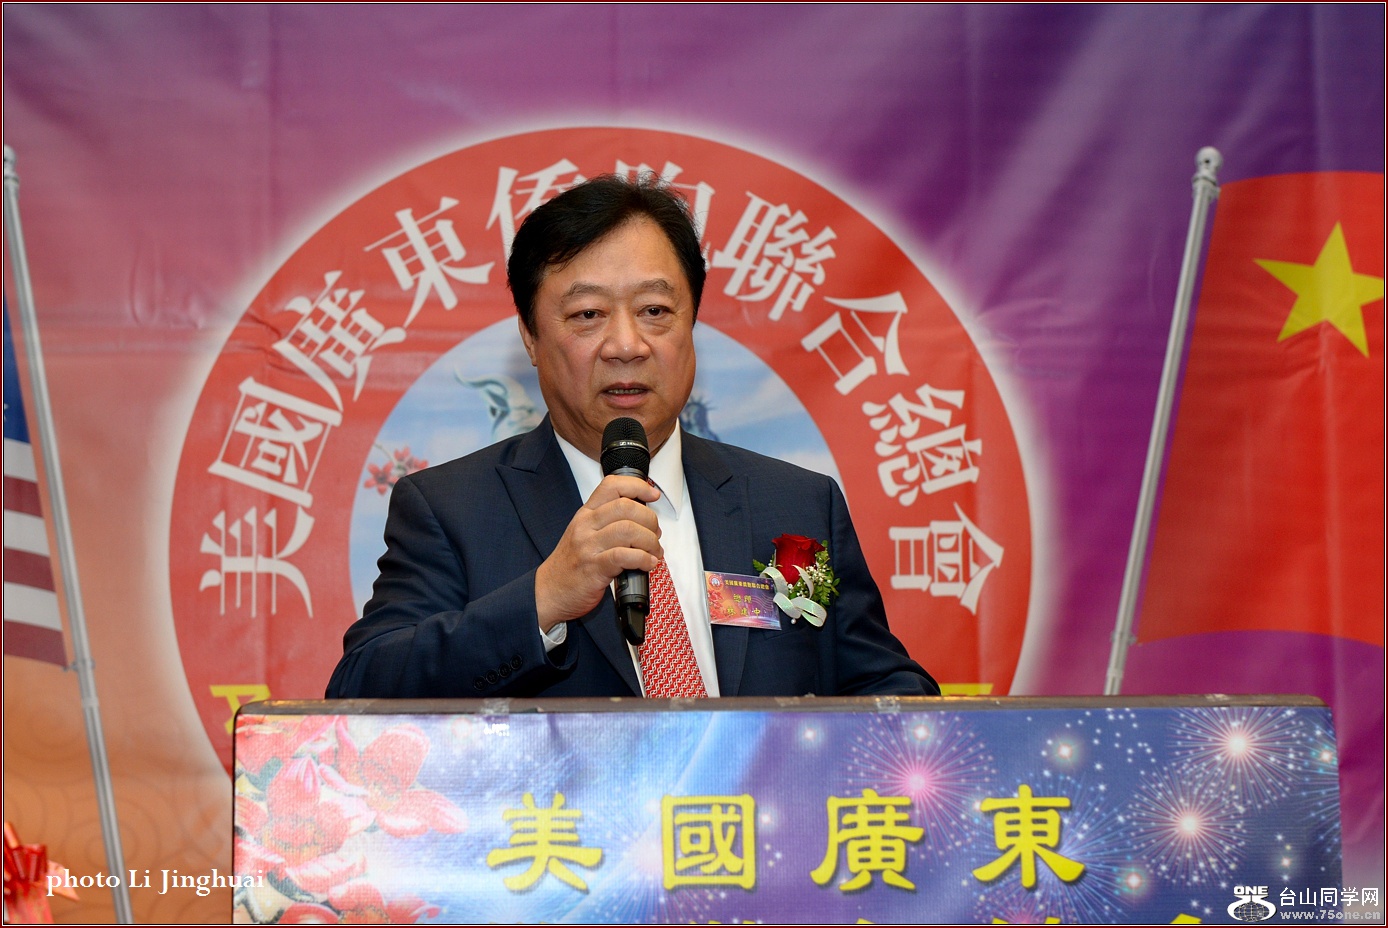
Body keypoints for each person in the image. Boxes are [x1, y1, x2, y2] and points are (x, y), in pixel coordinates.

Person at [326, 174, 938, 699]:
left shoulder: (797, 504)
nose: (626, 345)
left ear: (692, 324)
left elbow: (889, 693)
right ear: (531, 338)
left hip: (755, 807)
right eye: (588, 315)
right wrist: (545, 597)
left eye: (655, 311)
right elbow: (361, 691)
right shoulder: (451, 509)